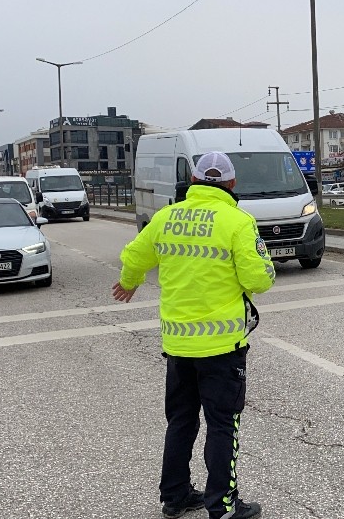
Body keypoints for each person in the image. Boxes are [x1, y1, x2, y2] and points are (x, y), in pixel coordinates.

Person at [112, 151, 275, 519]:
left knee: (181, 421)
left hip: (179, 345)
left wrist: (129, 282)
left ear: (195, 181)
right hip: (221, 347)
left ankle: (175, 496)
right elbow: (257, 280)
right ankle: (224, 505)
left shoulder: (166, 217)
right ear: (231, 184)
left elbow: (135, 254)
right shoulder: (238, 221)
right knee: (222, 425)